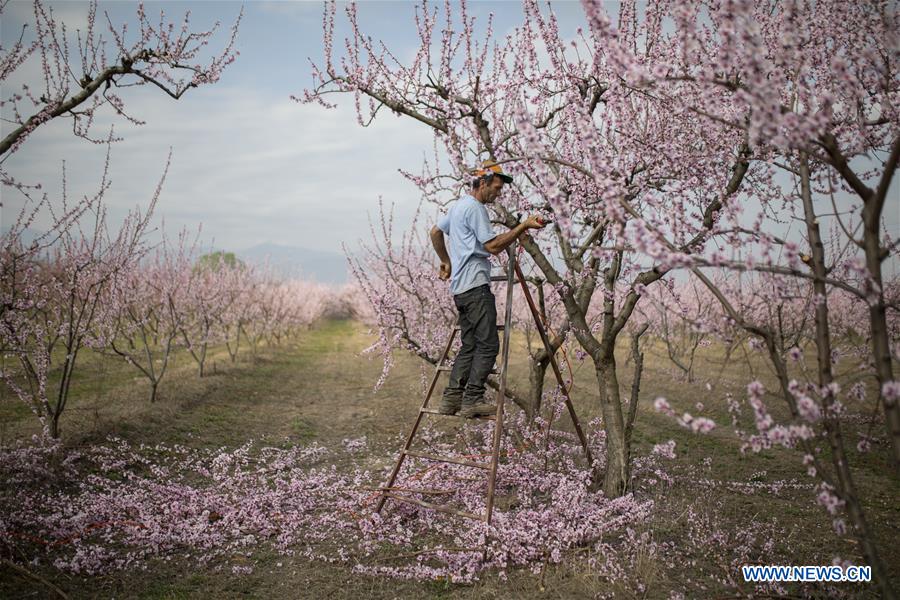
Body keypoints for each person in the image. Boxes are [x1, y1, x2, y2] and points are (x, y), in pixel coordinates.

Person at [430, 160, 546, 418]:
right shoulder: (475, 208)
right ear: (482, 183)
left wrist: (446, 261)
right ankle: (472, 400)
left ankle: (451, 400)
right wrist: (522, 226)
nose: (498, 193)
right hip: (475, 286)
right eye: (495, 187)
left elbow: (435, 232)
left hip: (460, 288)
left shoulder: (458, 206)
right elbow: (493, 246)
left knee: (469, 344)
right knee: (488, 345)